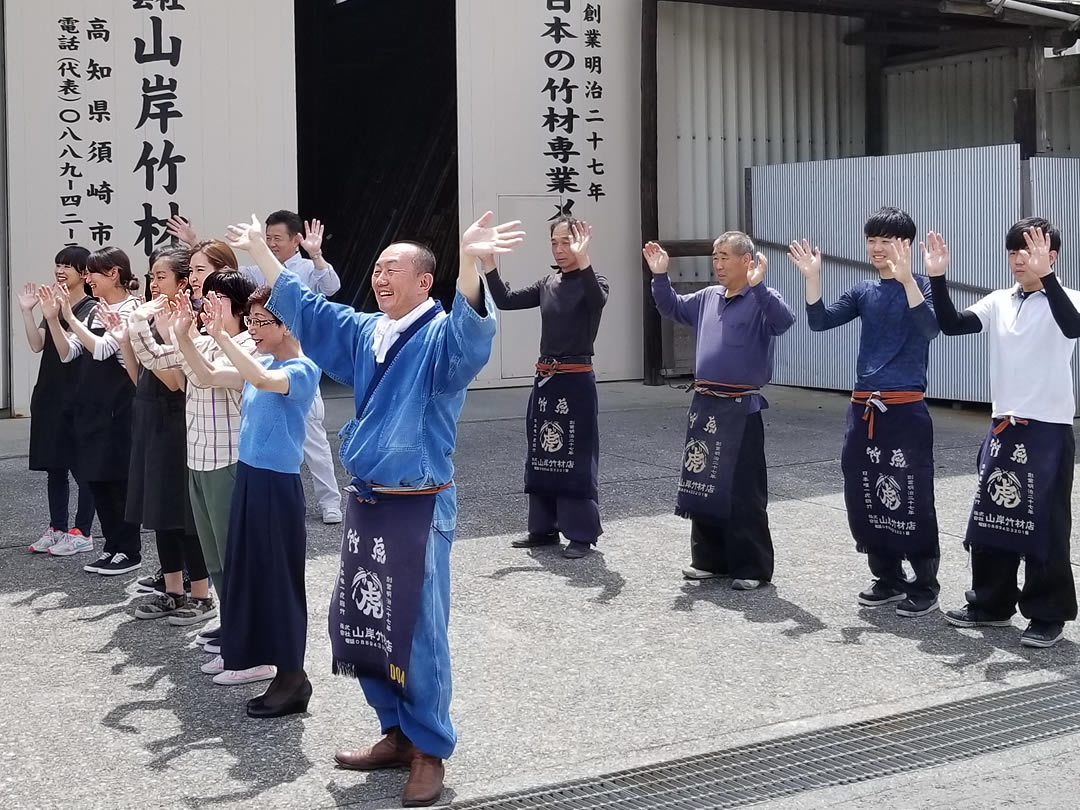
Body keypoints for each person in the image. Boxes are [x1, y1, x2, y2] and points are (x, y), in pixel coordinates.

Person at [223, 210, 521, 807]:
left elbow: (469, 342)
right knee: (361, 621)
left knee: (418, 631)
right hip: (369, 502)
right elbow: (312, 312)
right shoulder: (367, 332)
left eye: (394, 268)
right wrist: (259, 248)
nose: (380, 276)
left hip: (416, 504)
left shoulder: (439, 336)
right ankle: (395, 733)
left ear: (424, 282)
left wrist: (470, 266)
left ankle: (430, 749)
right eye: (378, 267)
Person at [928, 219, 1080, 648]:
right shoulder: (999, 300)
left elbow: (1074, 328)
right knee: (993, 516)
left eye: (1028, 251)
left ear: (1051, 257)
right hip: (1003, 425)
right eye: (1012, 251)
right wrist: (937, 278)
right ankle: (991, 604)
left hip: (1047, 428)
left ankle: (1047, 613)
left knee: (1046, 524)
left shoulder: (1068, 299)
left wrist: (1047, 279)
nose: (1018, 259)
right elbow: (953, 325)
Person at [788, 207, 942, 618]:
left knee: (911, 492)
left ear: (906, 245)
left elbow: (930, 329)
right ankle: (887, 577)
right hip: (864, 407)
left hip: (905, 409)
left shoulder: (925, 286)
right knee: (864, 488)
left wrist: (909, 277)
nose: (876, 247)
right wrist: (813, 278)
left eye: (885, 239)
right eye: (871, 239)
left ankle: (925, 583)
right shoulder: (863, 291)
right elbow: (819, 322)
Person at [186, 286, 320, 716]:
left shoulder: (301, 370)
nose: (255, 329)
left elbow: (263, 381)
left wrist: (225, 337)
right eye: (252, 321)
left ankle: (293, 677)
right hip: (249, 478)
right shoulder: (259, 359)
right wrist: (185, 337)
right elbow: (207, 376)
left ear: (288, 324)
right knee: (253, 577)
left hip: (277, 487)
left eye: (264, 322)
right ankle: (274, 669)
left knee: (278, 583)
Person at [169, 211, 343, 523]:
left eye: (278, 238)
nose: (272, 243)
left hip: (293, 360)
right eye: (268, 238)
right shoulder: (253, 272)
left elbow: (331, 286)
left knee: (313, 439)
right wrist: (196, 243)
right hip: (264, 362)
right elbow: (222, 269)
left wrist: (316, 254)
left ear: (295, 240)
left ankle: (330, 501)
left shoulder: (303, 269)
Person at [644, 233, 795, 590]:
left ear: (747, 261)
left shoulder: (761, 299)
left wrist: (758, 288)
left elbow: (783, 322)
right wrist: (660, 276)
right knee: (703, 481)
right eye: (715, 257)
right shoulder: (708, 297)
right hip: (706, 402)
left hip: (741, 406)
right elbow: (673, 308)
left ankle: (751, 567)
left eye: (725, 257)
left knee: (744, 490)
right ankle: (710, 560)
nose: (718, 264)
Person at [132, 268, 264, 675]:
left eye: (218, 297)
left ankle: (252, 648)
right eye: (204, 296)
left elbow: (208, 376)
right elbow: (154, 358)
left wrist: (186, 336)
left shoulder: (248, 346)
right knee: (216, 560)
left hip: (228, 461)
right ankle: (234, 634)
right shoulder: (203, 341)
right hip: (198, 459)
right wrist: (142, 319)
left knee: (235, 558)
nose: (207, 303)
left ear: (239, 306)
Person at [483, 217, 608, 558]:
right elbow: (505, 300)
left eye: (567, 242)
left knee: (576, 457)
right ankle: (543, 529)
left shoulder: (594, 282)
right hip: (546, 381)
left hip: (576, 380)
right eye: (555, 242)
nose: (560, 249)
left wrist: (584, 261)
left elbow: (596, 302)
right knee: (541, 453)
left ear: (582, 242)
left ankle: (581, 533)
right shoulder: (547, 282)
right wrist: (489, 263)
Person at [117, 247, 216, 625]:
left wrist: (142, 329)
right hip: (150, 418)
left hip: (179, 423)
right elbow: (139, 376)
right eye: (151, 276)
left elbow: (175, 382)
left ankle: (201, 594)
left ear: (181, 281)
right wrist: (127, 335)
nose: (153, 283)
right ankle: (172, 589)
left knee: (184, 513)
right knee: (158, 509)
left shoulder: (188, 320)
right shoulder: (152, 315)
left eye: (161, 276)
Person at [42, 247, 143, 576]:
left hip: (119, 408)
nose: (88, 279)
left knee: (119, 481)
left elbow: (103, 349)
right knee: (97, 479)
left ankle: (129, 550)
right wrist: (52, 319)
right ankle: (111, 547)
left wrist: (69, 317)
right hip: (91, 409)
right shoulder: (94, 309)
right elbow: (69, 352)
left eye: (93, 273)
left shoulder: (131, 309)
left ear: (114, 273)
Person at [20, 247, 97, 555]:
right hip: (51, 393)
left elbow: (75, 350)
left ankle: (83, 530)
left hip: (79, 395)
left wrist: (57, 315)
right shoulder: (52, 304)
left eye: (68, 265)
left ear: (84, 273)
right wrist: (28, 310)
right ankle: (57, 527)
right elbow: (38, 345)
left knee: (83, 466)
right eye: (58, 265)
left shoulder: (90, 308)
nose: (60, 270)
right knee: (55, 465)